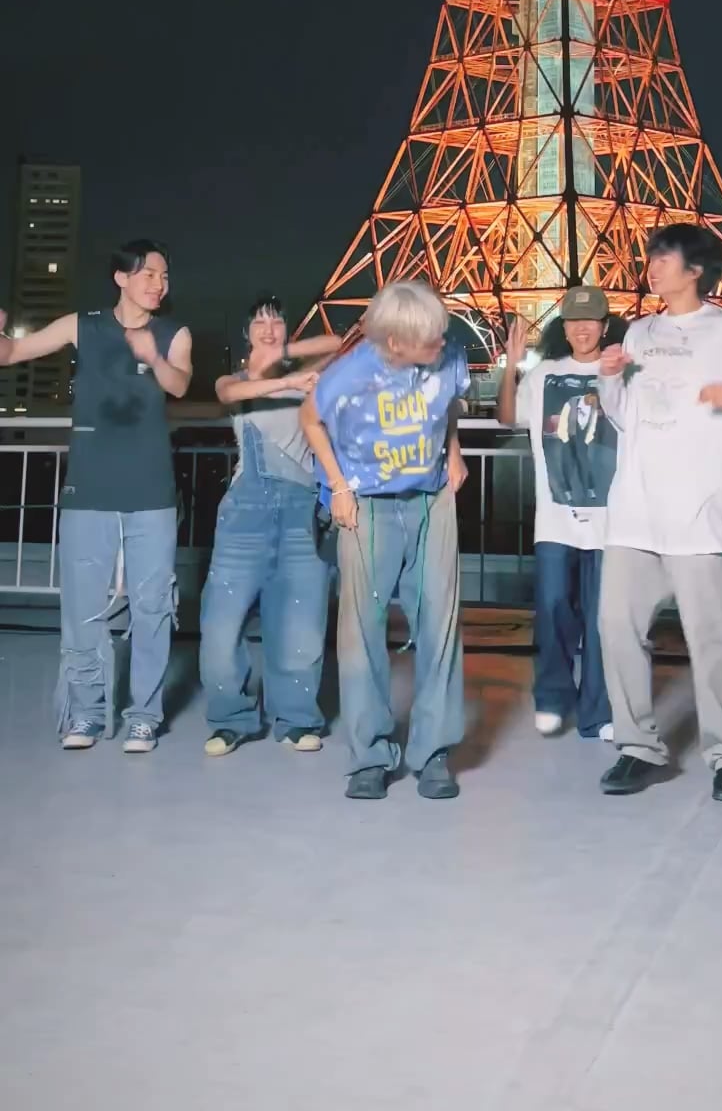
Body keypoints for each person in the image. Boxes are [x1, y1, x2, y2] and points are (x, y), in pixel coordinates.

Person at [596, 224, 722, 802]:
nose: (652, 267)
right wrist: (610, 381)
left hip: (704, 514)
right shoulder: (637, 331)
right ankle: (637, 746)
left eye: (664, 258)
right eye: (652, 258)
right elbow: (623, 415)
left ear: (695, 271)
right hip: (636, 511)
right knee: (616, 626)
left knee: (711, 638)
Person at [0, 240, 192, 754]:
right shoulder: (81, 324)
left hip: (151, 488)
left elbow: (178, 385)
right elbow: (14, 353)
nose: (159, 283)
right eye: (151, 273)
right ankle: (85, 715)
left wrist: (153, 356)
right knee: (83, 605)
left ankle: (144, 717)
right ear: (121, 277)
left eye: (165, 275)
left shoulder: (174, 332)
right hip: (89, 486)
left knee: (151, 604)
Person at [300, 279, 470, 802]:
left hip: (430, 498)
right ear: (395, 342)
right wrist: (337, 484)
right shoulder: (351, 373)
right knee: (362, 632)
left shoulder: (449, 356)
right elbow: (310, 417)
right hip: (367, 505)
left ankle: (433, 751)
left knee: (440, 623)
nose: (441, 344)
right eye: (429, 340)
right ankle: (370, 754)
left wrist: (455, 450)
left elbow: (449, 407)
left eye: (441, 334)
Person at [199, 297, 343, 758]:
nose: (268, 327)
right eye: (258, 321)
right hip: (244, 514)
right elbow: (226, 395)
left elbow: (339, 342)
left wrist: (283, 350)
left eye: (275, 320)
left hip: (301, 511)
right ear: (245, 334)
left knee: (301, 624)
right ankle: (230, 719)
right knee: (221, 626)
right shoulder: (236, 381)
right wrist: (283, 373)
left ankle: (297, 719)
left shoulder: (306, 382)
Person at [497, 286, 623, 744]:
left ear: (605, 326)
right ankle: (552, 697)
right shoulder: (545, 375)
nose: (582, 328)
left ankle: (598, 711)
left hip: (612, 518)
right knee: (551, 607)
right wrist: (512, 365)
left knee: (600, 618)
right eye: (573, 320)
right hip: (555, 517)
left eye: (591, 320)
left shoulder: (620, 373)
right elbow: (507, 418)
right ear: (563, 327)